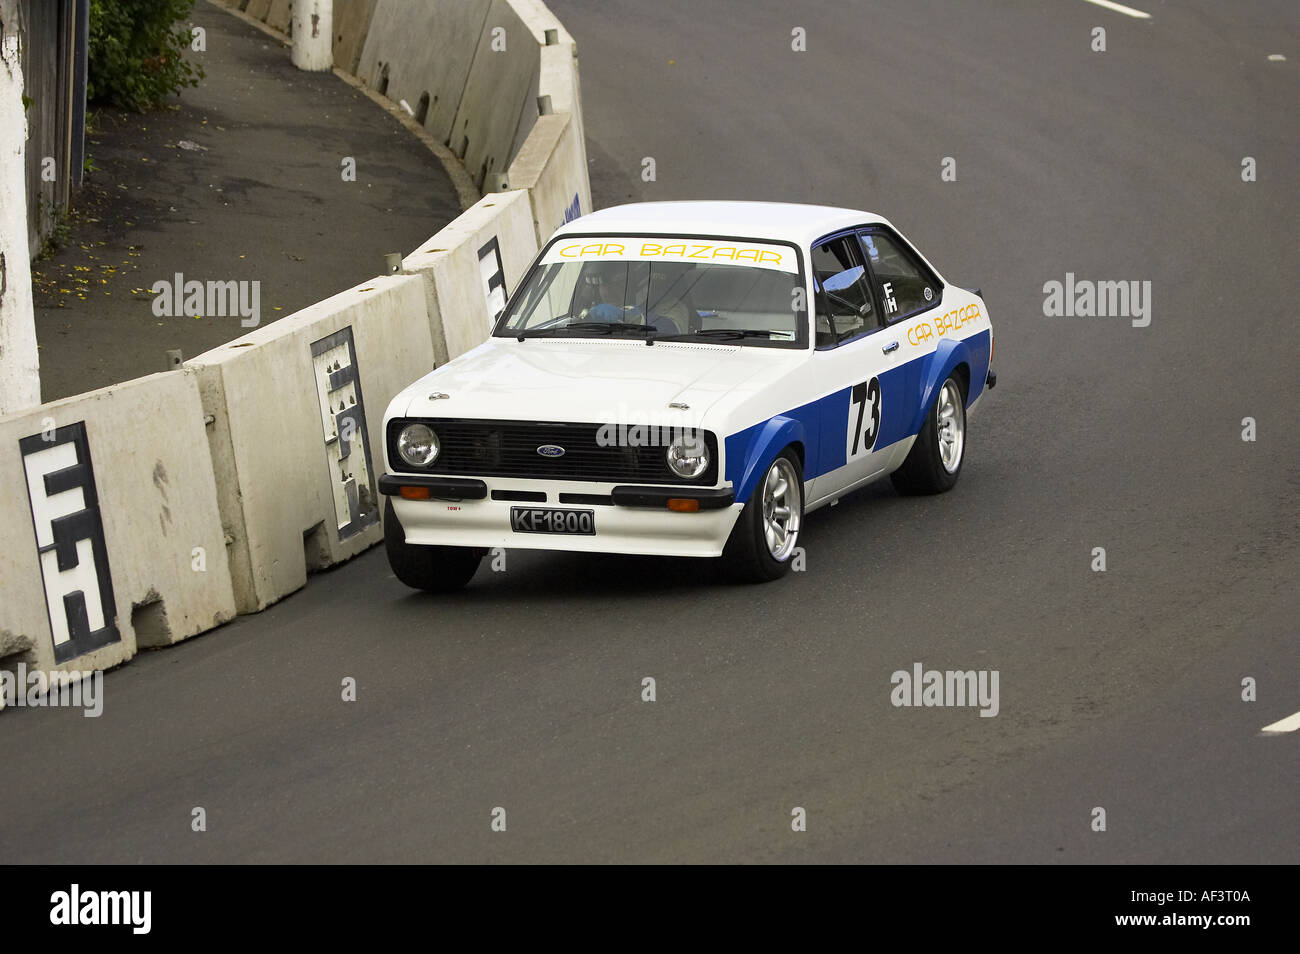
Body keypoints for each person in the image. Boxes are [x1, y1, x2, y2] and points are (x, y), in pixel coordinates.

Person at [579, 261, 687, 334]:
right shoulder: (593, 312)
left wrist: (636, 319)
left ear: (636, 282)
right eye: (602, 285)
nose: (607, 292)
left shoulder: (671, 306)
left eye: (615, 283)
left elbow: (673, 330)